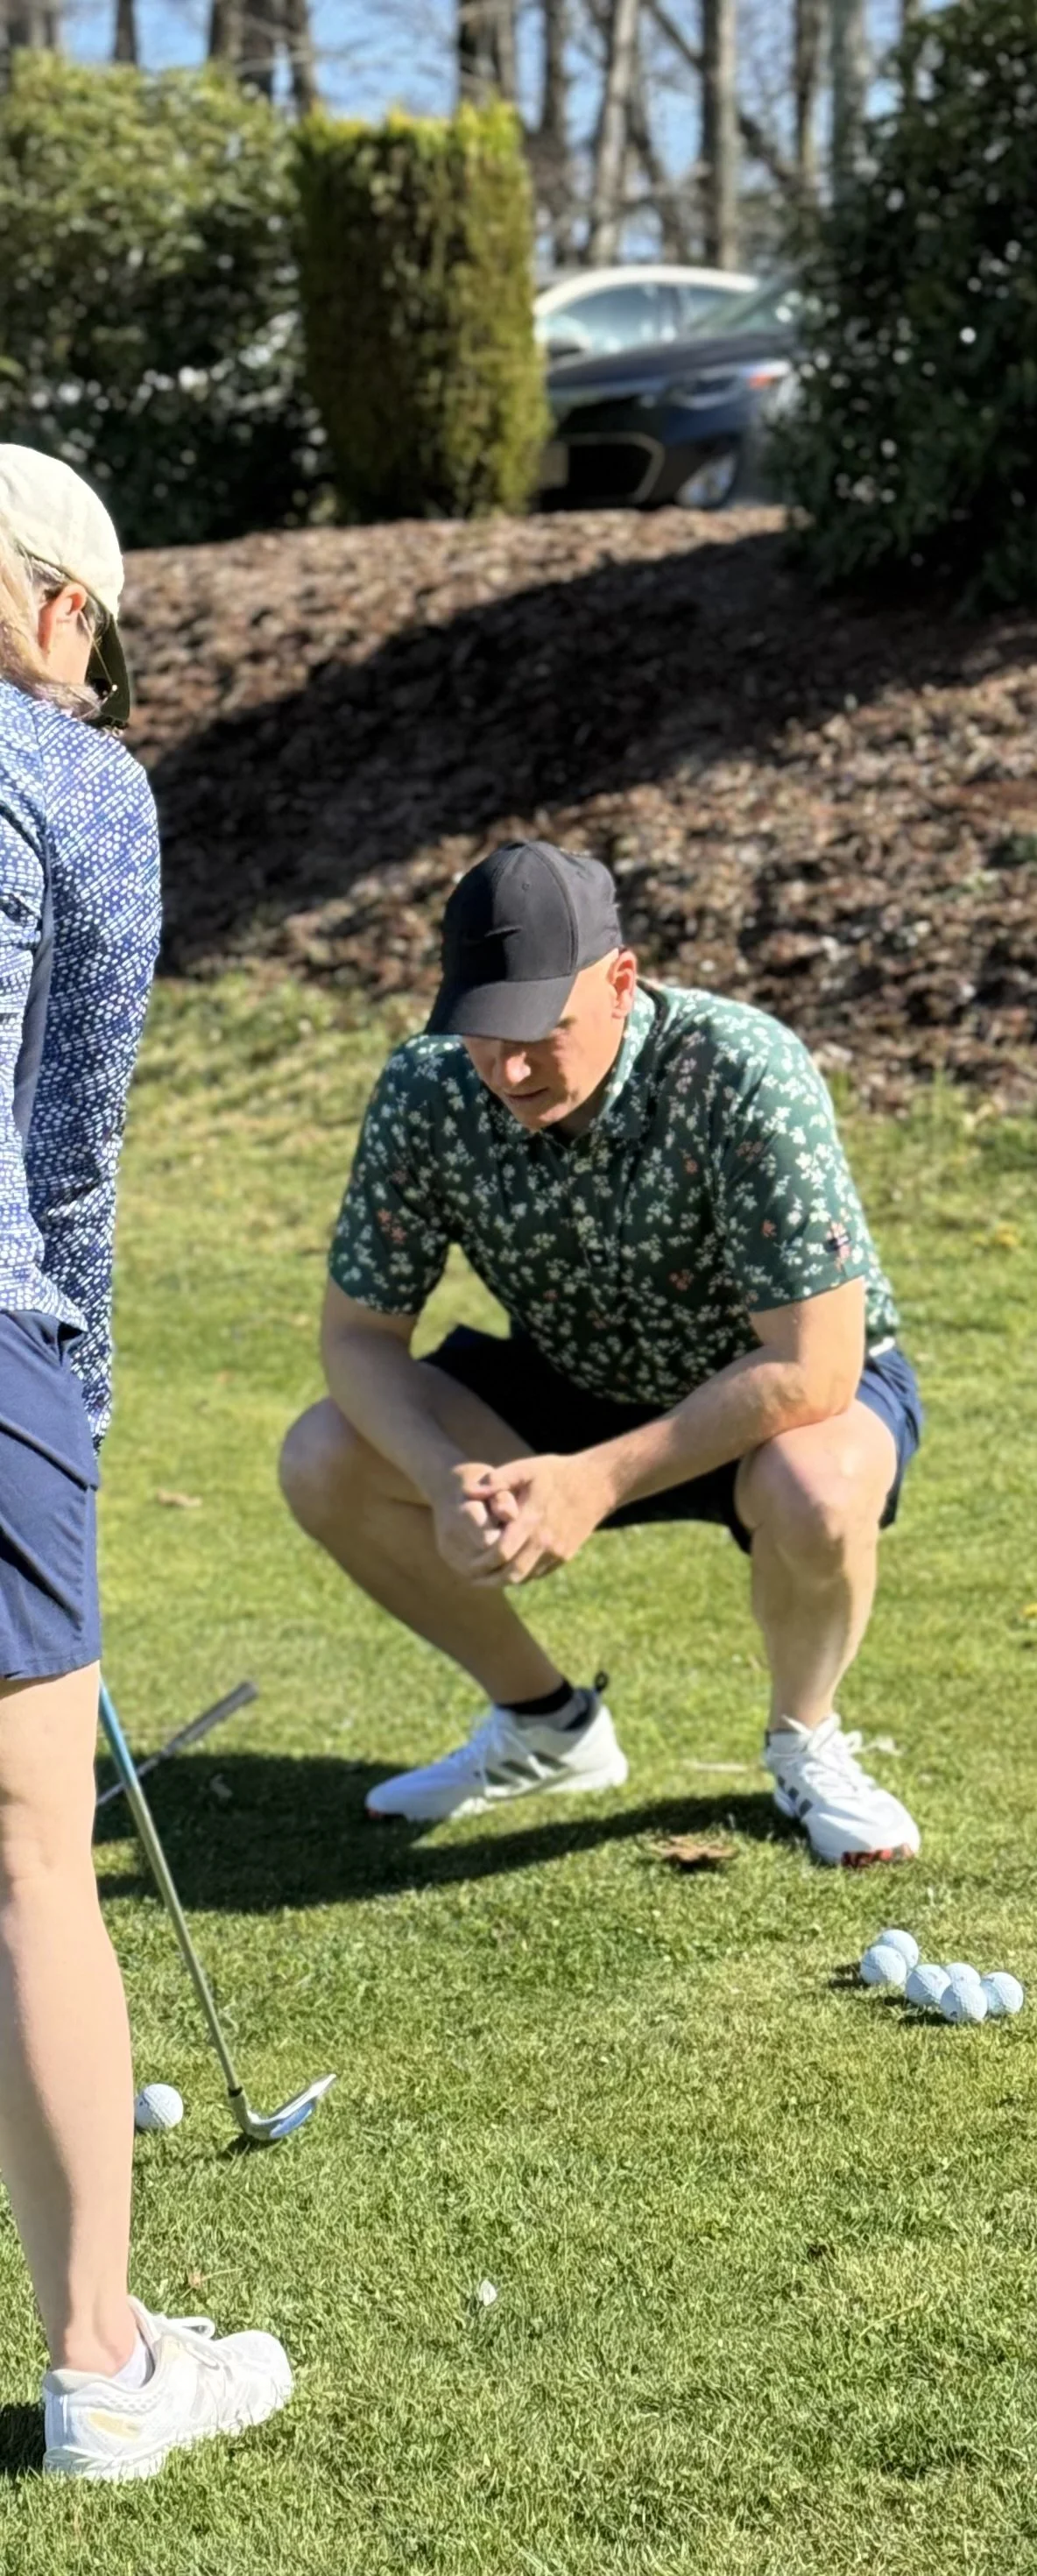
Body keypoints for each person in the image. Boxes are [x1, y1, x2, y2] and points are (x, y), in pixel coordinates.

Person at [283, 838, 924, 1865]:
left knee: (817, 1484)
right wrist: (444, 1479)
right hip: (571, 1376)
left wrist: (596, 1481)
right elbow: (358, 1338)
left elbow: (815, 1367)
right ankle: (546, 1729)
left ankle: (806, 1740)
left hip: (771, 1394)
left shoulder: (741, 1067)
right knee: (325, 1457)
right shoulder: (427, 1088)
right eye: (485, 1030)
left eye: (546, 1027)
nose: (514, 1065)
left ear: (621, 982)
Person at [0, 447, 292, 2481]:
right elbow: (71, 1130)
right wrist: (67, 1395)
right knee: (28, 1861)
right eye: (86, 629)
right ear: (50, 611)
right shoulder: (76, 781)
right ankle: (103, 2364)